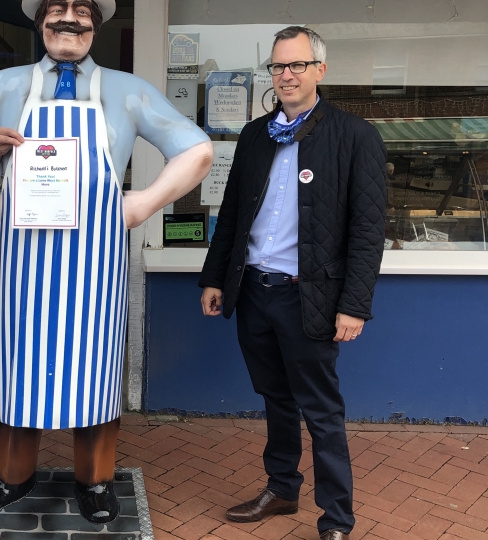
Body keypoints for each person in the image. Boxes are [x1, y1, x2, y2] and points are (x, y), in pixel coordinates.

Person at [0, 0, 213, 524]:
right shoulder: (5, 85)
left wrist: (142, 203)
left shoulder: (128, 90)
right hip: (24, 265)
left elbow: (196, 150)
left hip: (96, 265)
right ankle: (12, 477)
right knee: (20, 371)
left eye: (81, 9)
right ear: (40, 21)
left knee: (93, 371)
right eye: (57, 8)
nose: (69, 19)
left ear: (96, 23)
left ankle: (95, 481)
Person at [199, 27, 386, 540]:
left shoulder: (355, 137)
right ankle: (281, 489)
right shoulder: (256, 135)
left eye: (297, 65)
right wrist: (215, 278)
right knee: (275, 399)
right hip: (255, 292)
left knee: (321, 411)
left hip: (312, 298)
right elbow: (233, 214)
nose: (286, 75)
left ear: (320, 71)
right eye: (278, 67)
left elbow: (369, 232)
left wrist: (354, 306)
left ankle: (337, 519)